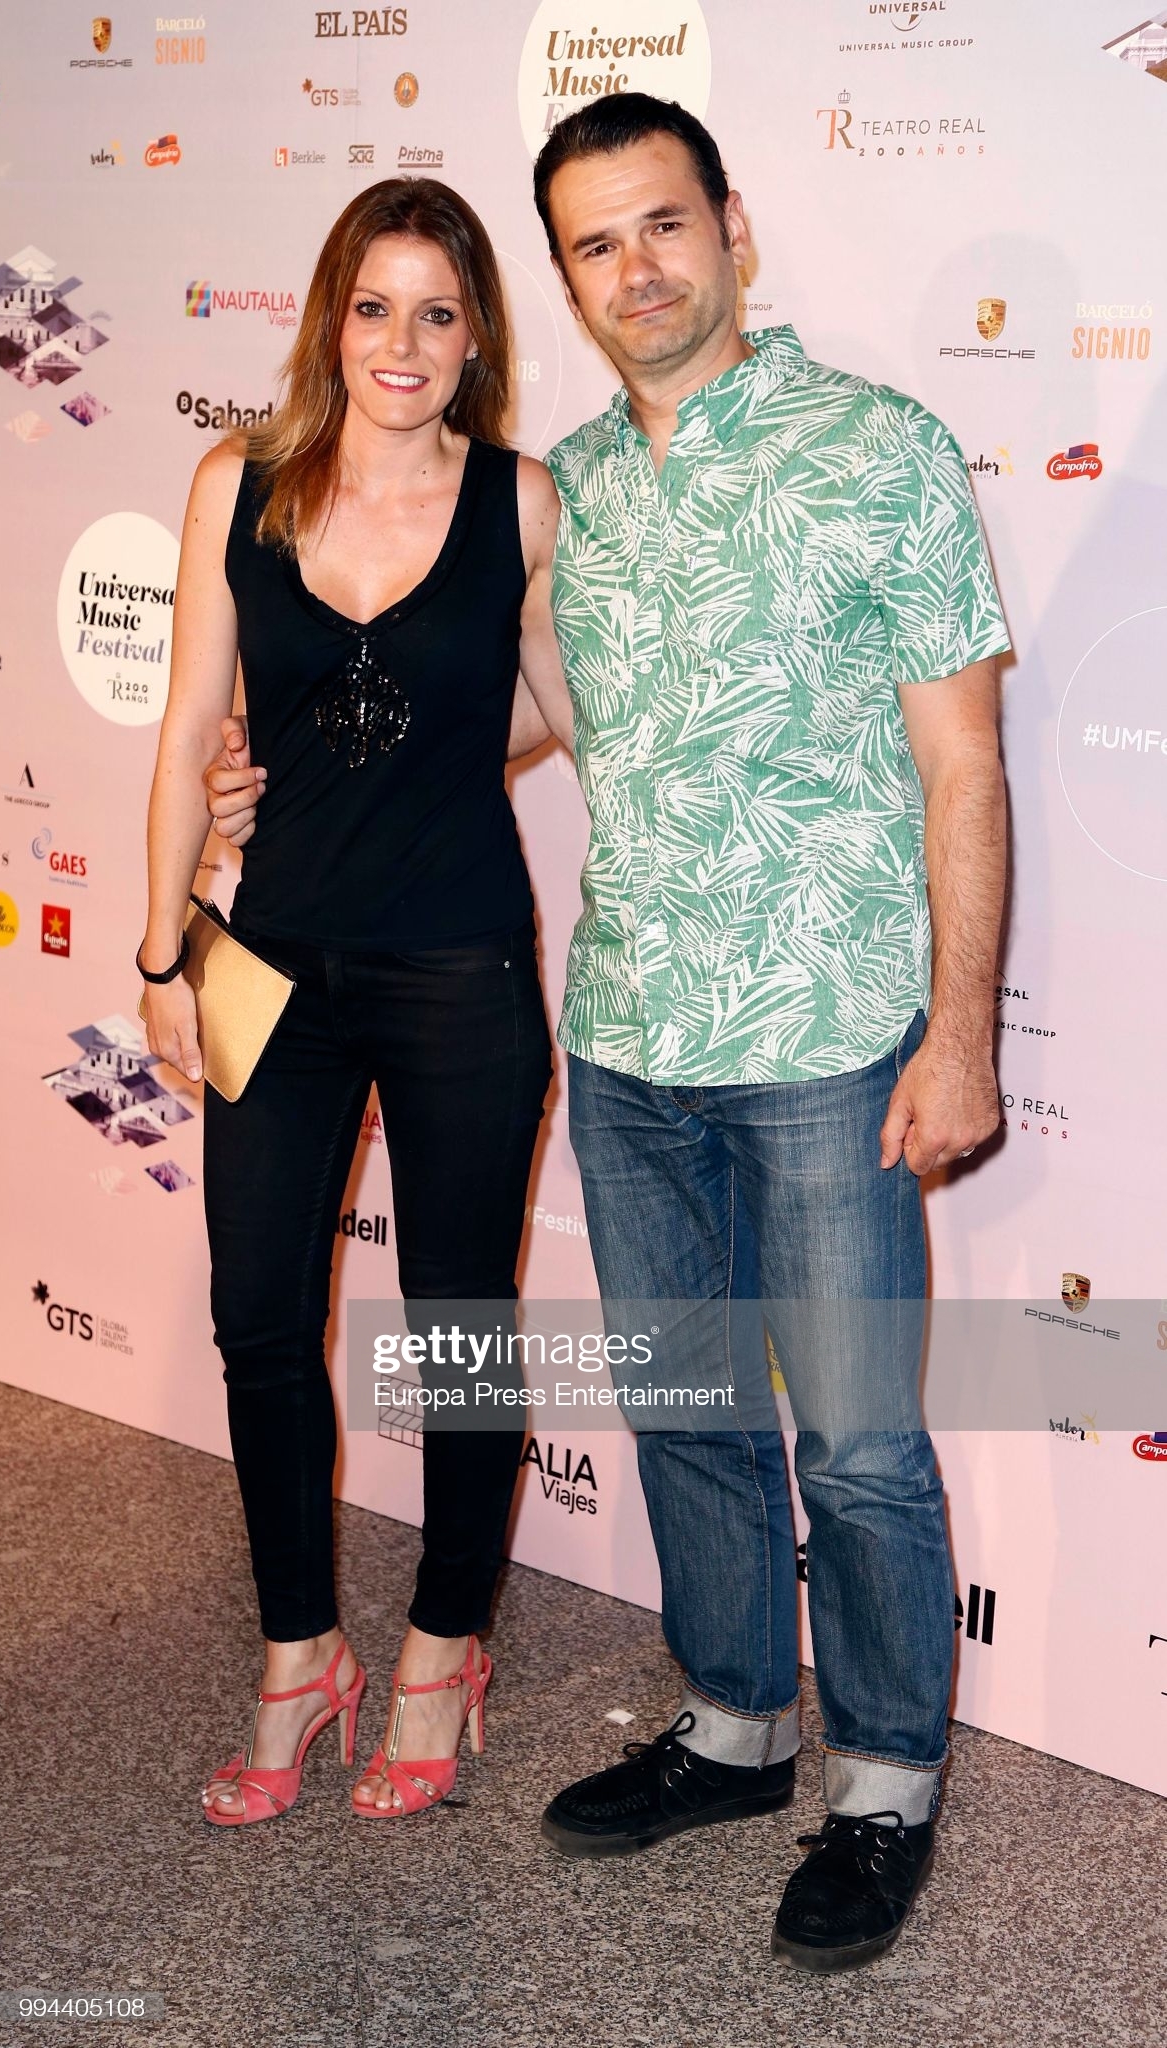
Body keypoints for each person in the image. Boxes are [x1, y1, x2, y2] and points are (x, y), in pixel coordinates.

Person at [209, 96, 1010, 1971]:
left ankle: (884, 1777)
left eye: (661, 224)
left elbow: (961, 768)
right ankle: (733, 1725)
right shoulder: (558, 487)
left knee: (858, 1446)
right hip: (633, 1028)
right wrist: (290, 780)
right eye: (592, 243)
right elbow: (503, 719)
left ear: (728, 226)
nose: (634, 269)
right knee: (686, 1410)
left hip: (826, 1031)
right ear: (561, 282)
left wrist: (960, 1033)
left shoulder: (878, 447)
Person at [141, 177, 572, 1827]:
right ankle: (298, 1655)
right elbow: (186, 729)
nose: (403, 343)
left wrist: (431, 754)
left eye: (437, 313)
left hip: (463, 966)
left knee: (457, 1326)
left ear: (475, 339)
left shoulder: (520, 502)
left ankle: (442, 1651)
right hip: (271, 963)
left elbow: (561, 709)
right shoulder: (238, 483)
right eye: (375, 306)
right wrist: (160, 951)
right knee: (258, 1319)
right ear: (332, 317)